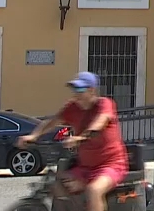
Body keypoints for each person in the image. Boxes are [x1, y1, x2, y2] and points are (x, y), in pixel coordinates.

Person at [18, 71, 128, 211]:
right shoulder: (72, 107)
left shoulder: (104, 104)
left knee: (94, 190)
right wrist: (33, 136)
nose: (76, 93)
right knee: (57, 185)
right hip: (85, 167)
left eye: (80, 89)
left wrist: (80, 137)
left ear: (91, 90)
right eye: (74, 89)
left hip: (111, 165)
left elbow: (100, 122)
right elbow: (53, 122)